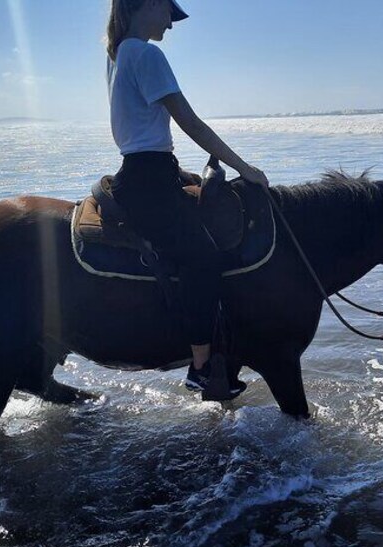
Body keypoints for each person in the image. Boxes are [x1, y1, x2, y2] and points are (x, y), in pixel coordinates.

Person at [105, 0, 269, 394]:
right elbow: (190, 121)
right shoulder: (147, 54)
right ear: (150, 5)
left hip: (150, 170)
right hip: (149, 181)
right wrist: (245, 168)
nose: (171, 24)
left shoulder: (118, 54)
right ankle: (199, 367)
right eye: (168, 13)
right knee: (202, 258)